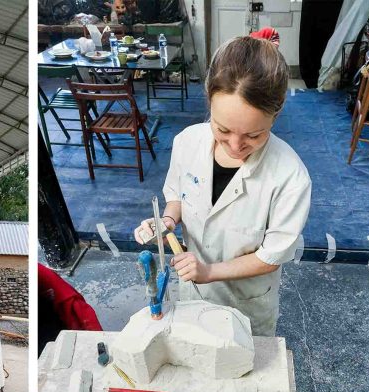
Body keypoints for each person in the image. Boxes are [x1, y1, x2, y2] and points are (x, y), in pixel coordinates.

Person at [133, 35, 311, 336]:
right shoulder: (187, 142)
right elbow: (178, 196)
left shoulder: (290, 177)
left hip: (247, 303)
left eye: (254, 135)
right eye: (222, 129)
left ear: (276, 115)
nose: (236, 145)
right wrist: (167, 221)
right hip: (193, 293)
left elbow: (270, 256)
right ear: (208, 101)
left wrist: (210, 272)